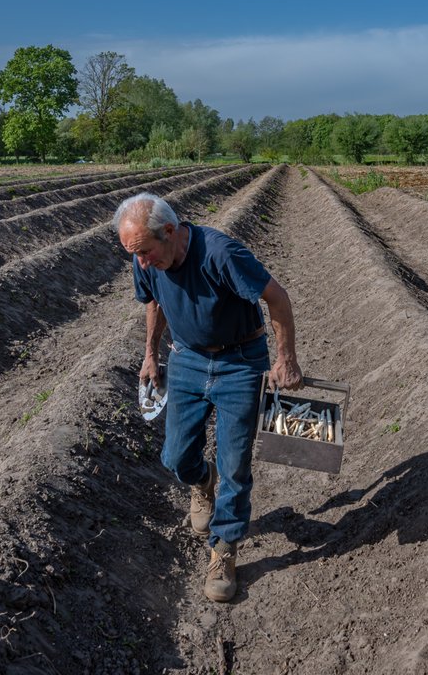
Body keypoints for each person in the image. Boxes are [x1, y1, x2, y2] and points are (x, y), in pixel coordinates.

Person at [113, 192, 303, 602]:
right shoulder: (144, 258)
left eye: (145, 252)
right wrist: (150, 354)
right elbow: (154, 301)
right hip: (187, 361)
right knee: (177, 456)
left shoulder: (220, 253)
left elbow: (278, 298)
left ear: (169, 231)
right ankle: (201, 479)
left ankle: (224, 549)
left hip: (240, 362)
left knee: (235, 464)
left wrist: (285, 358)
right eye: (135, 254)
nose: (142, 262)